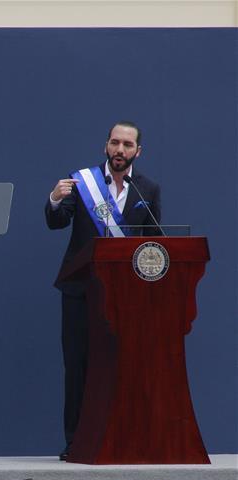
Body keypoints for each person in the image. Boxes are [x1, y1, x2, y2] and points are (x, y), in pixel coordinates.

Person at [45, 121, 162, 460]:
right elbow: (56, 222)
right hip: (81, 291)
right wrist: (54, 199)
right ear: (106, 146)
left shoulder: (148, 189)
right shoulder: (83, 182)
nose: (119, 150)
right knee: (78, 366)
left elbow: (155, 240)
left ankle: (122, 440)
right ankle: (76, 442)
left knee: (124, 367)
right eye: (114, 143)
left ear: (138, 151)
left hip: (127, 296)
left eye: (127, 145)